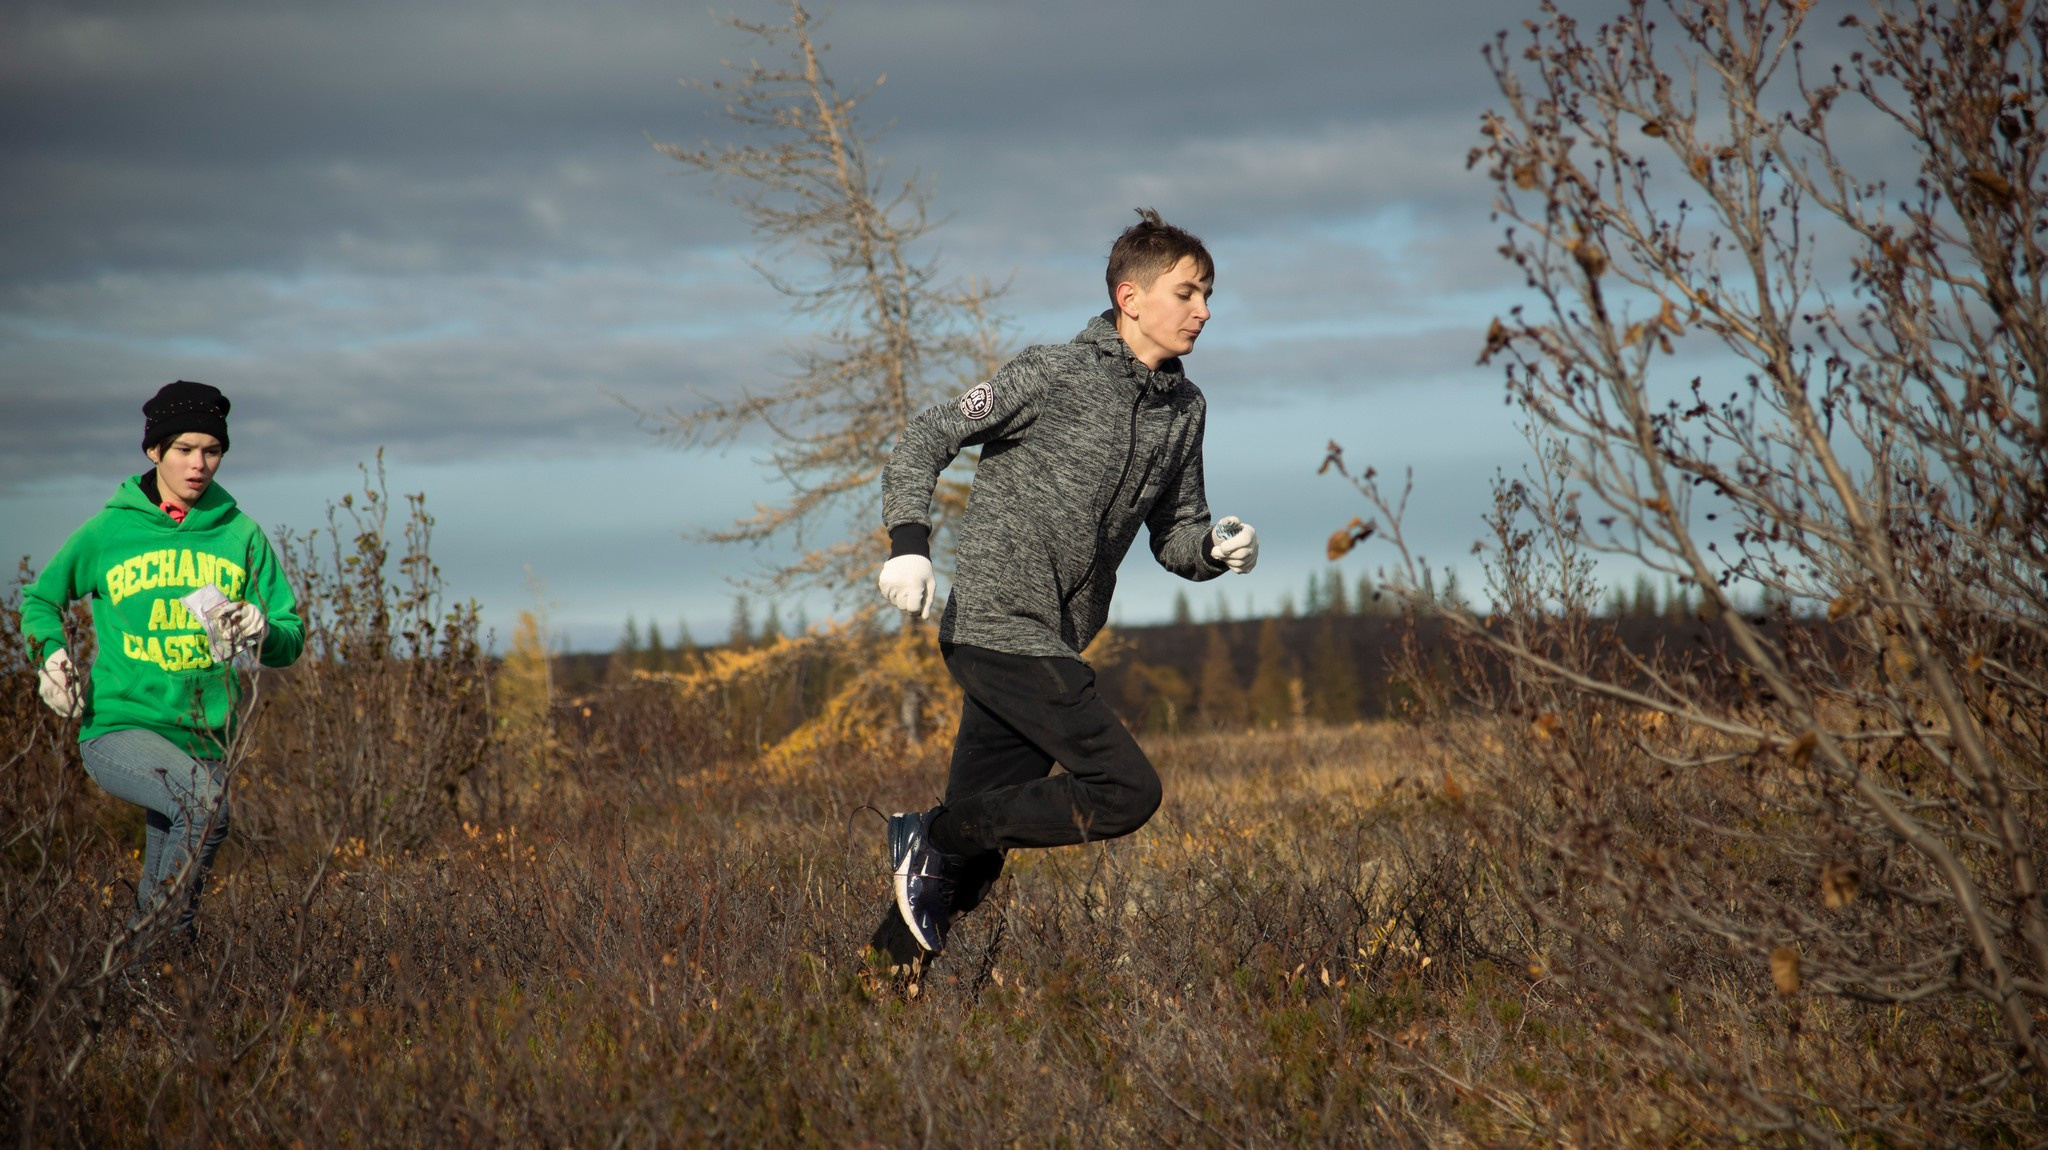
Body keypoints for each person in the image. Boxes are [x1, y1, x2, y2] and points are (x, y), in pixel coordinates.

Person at [873, 209, 1259, 957]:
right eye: (1187, 293)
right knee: (1125, 789)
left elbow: (1176, 532)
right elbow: (926, 435)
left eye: (1208, 296)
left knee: (965, 873)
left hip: (1057, 638)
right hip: (995, 625)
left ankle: (876, 981)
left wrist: (1215, 548)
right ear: (1130, 297)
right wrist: (909, 546)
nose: (1204, 311)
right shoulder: (1052, 373)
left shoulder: (1185, 411)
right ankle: (933, 832)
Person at [22, 380, 304, 945]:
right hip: (121, 725)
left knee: (176, 897)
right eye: (184, 449)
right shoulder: (110, 530)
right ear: (154, 450)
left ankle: (144, 981)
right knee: (204, 810)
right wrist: (50, 657)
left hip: (205, 738)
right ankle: (145, 961)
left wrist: (263, 629)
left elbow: (290, 639)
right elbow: (41, 600)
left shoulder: (241, 534)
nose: (199, 464)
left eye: (212, 450)